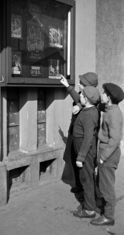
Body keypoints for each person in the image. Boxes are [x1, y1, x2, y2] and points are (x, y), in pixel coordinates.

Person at [90, 83, 124, 226]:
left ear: (109, 97)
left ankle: (108, 216)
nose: (101, 94)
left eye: (103, 93)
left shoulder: (114, 114)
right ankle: (105, 209)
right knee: (102, 183)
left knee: (106, 187)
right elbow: (98, 104)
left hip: (108, 153)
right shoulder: (111, 108)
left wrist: (103, 158)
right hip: (105, 150)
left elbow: (115, 139)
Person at [60, 72, 98, 194]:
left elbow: (90, 107)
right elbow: (79, 99)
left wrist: (80, 107)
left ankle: (89, 200)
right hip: (77, 136)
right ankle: (81, 187)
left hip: (84, 139)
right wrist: (67, 85)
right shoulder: (85, 96)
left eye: (81, 83)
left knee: (86, 169)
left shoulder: (92, 99)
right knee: (77, 163)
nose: (79, 84)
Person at [70, 86, 101, 218]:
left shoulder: (89, 115)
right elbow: (80, 101)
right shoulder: (89, 108)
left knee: (86, 179)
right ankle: (91, 202)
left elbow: (88, 138)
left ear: (87, 99)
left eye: (81, 95)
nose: (80, 97)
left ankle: (89, 210)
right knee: (87, 177)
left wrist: (81, 157)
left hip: (85, 151)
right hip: (83, 147)